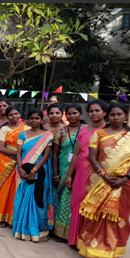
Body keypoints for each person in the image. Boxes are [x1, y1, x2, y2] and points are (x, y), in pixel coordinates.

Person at [76, 104, 130, 258]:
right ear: (107, 116)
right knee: (96, 215)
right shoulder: (99, 134)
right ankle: (93, 250)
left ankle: (113, 253)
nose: (116, 117)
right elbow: (92, 158)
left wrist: (126, 178)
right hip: (101, 180)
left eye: (119, 114)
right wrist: (104, 175)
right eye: (112, 115)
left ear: (125, 116)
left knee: (119, 216)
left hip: (124, 183)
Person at [64, 99, 108, 246]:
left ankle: (92, 241)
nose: (94, 113)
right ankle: (76, 240)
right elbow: (76, 154)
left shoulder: (108, 131)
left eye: (97, 110)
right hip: (82, 171)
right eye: (91, 111)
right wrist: (70, 175)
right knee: (79, 202)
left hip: (100, 172)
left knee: (95, 204)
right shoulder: (83, 130)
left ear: (104, 113)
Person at [12, 110, 55, 242]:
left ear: (41, 120)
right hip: (23, 169)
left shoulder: (47, 135)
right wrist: (20, 168)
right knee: (23, 197)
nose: (34, 121)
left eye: (37, 118)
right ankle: (22, 229)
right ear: (28, 120)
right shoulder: (23, 134)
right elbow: (18, 153)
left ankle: (40, 230)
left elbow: (46, 155)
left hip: (40, 171)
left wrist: (34, 170)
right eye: (31, 118)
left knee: (39, 198)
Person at [51, 104, 84, 242]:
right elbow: (54, 154)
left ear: (81, 115)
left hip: (81, 169)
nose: (72, 116)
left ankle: (74, 232)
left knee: (76, 200)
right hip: (64, 168)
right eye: (69, 113)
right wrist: (55, 173)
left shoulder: (86, 130)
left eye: (75, 113)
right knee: (64, 198)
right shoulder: (60, 132)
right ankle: (60, 232)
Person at [0, 106, 29, 227]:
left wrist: (21, 156)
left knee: (17, 190)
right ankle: (2, 217)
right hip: (7, 160)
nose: (14, 116)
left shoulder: (26, 129)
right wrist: (18, 153)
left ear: (20, 114)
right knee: (5, 188)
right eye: (11, 115)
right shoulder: (4, 129)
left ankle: (13, 219)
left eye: (16, 114)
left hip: (23, 161)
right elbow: (1, 147)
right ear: (7, 117)